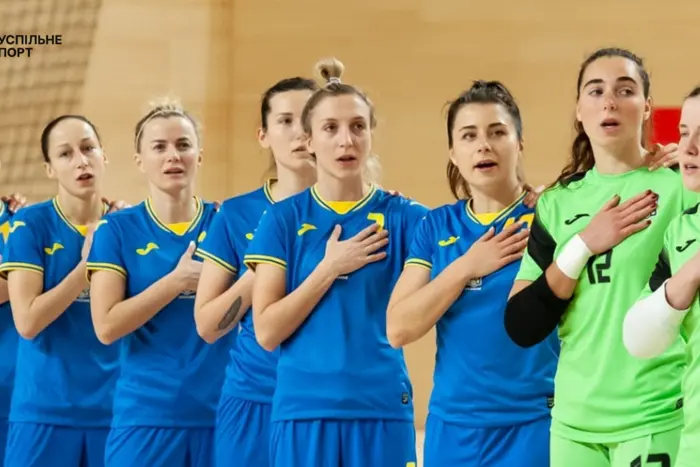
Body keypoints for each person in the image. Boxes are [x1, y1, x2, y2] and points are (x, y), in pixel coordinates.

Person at [503, 47, 696, 467]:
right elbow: (520, 323)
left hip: (655, 412)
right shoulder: (555, 203)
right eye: (596, 91)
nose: (609, 101)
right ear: (578, 109)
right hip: (574, 422)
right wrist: (583, 245)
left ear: (646, 107)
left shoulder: (680, 187)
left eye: (624, 90)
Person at [242, 57, 426, 467]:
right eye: (331, 128)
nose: (347, 140)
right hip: (303, 414)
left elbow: (471, 237)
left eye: (358, 126)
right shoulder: (283, 219)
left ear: (371, 134)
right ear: (308, 140)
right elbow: (267, 331)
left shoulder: (406, 218)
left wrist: (530, 206)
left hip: (381, 410)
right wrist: (328, 269)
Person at [386, 80, 559, 466]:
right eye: (469, 135)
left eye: (497, 132)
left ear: (519, 142)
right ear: (453, 152)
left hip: (534, 423)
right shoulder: (435, 227)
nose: (484, 144)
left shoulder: (552, 215)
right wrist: (467, 266)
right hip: (453, 429)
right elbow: (398, 328)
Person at [87, 99, 225, 467]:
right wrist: (176, 281)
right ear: (139, 160)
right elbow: (106, 325)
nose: (172, 156)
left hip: (223, 417)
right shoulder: (116, 230)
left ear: (199, 154)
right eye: (159, 147)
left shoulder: (228, 222)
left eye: (183, 145)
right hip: (146, 418)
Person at [194, 76, 319, 467]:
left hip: (329, 402)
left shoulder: (367, 212)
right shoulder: (234, 215)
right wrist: (260, 271)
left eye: (310, 119)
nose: (299, 132)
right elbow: (209, 325)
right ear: (263, 135)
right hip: (255, 400)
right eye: (285, 121)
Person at [0, 115, 122, 467]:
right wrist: (86, 270)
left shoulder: (127, 225)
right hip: (43, 412)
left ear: (104, 155)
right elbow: (27, 321)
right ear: (49, 169)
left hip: (114, 412)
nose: (81, 160)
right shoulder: (29, 225)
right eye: (65, 154)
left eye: (88, 148)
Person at [622, 85, 700, 467]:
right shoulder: (681, 233)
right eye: (685, 133)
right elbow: (638, 339)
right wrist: (688, 277)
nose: (689, 147)